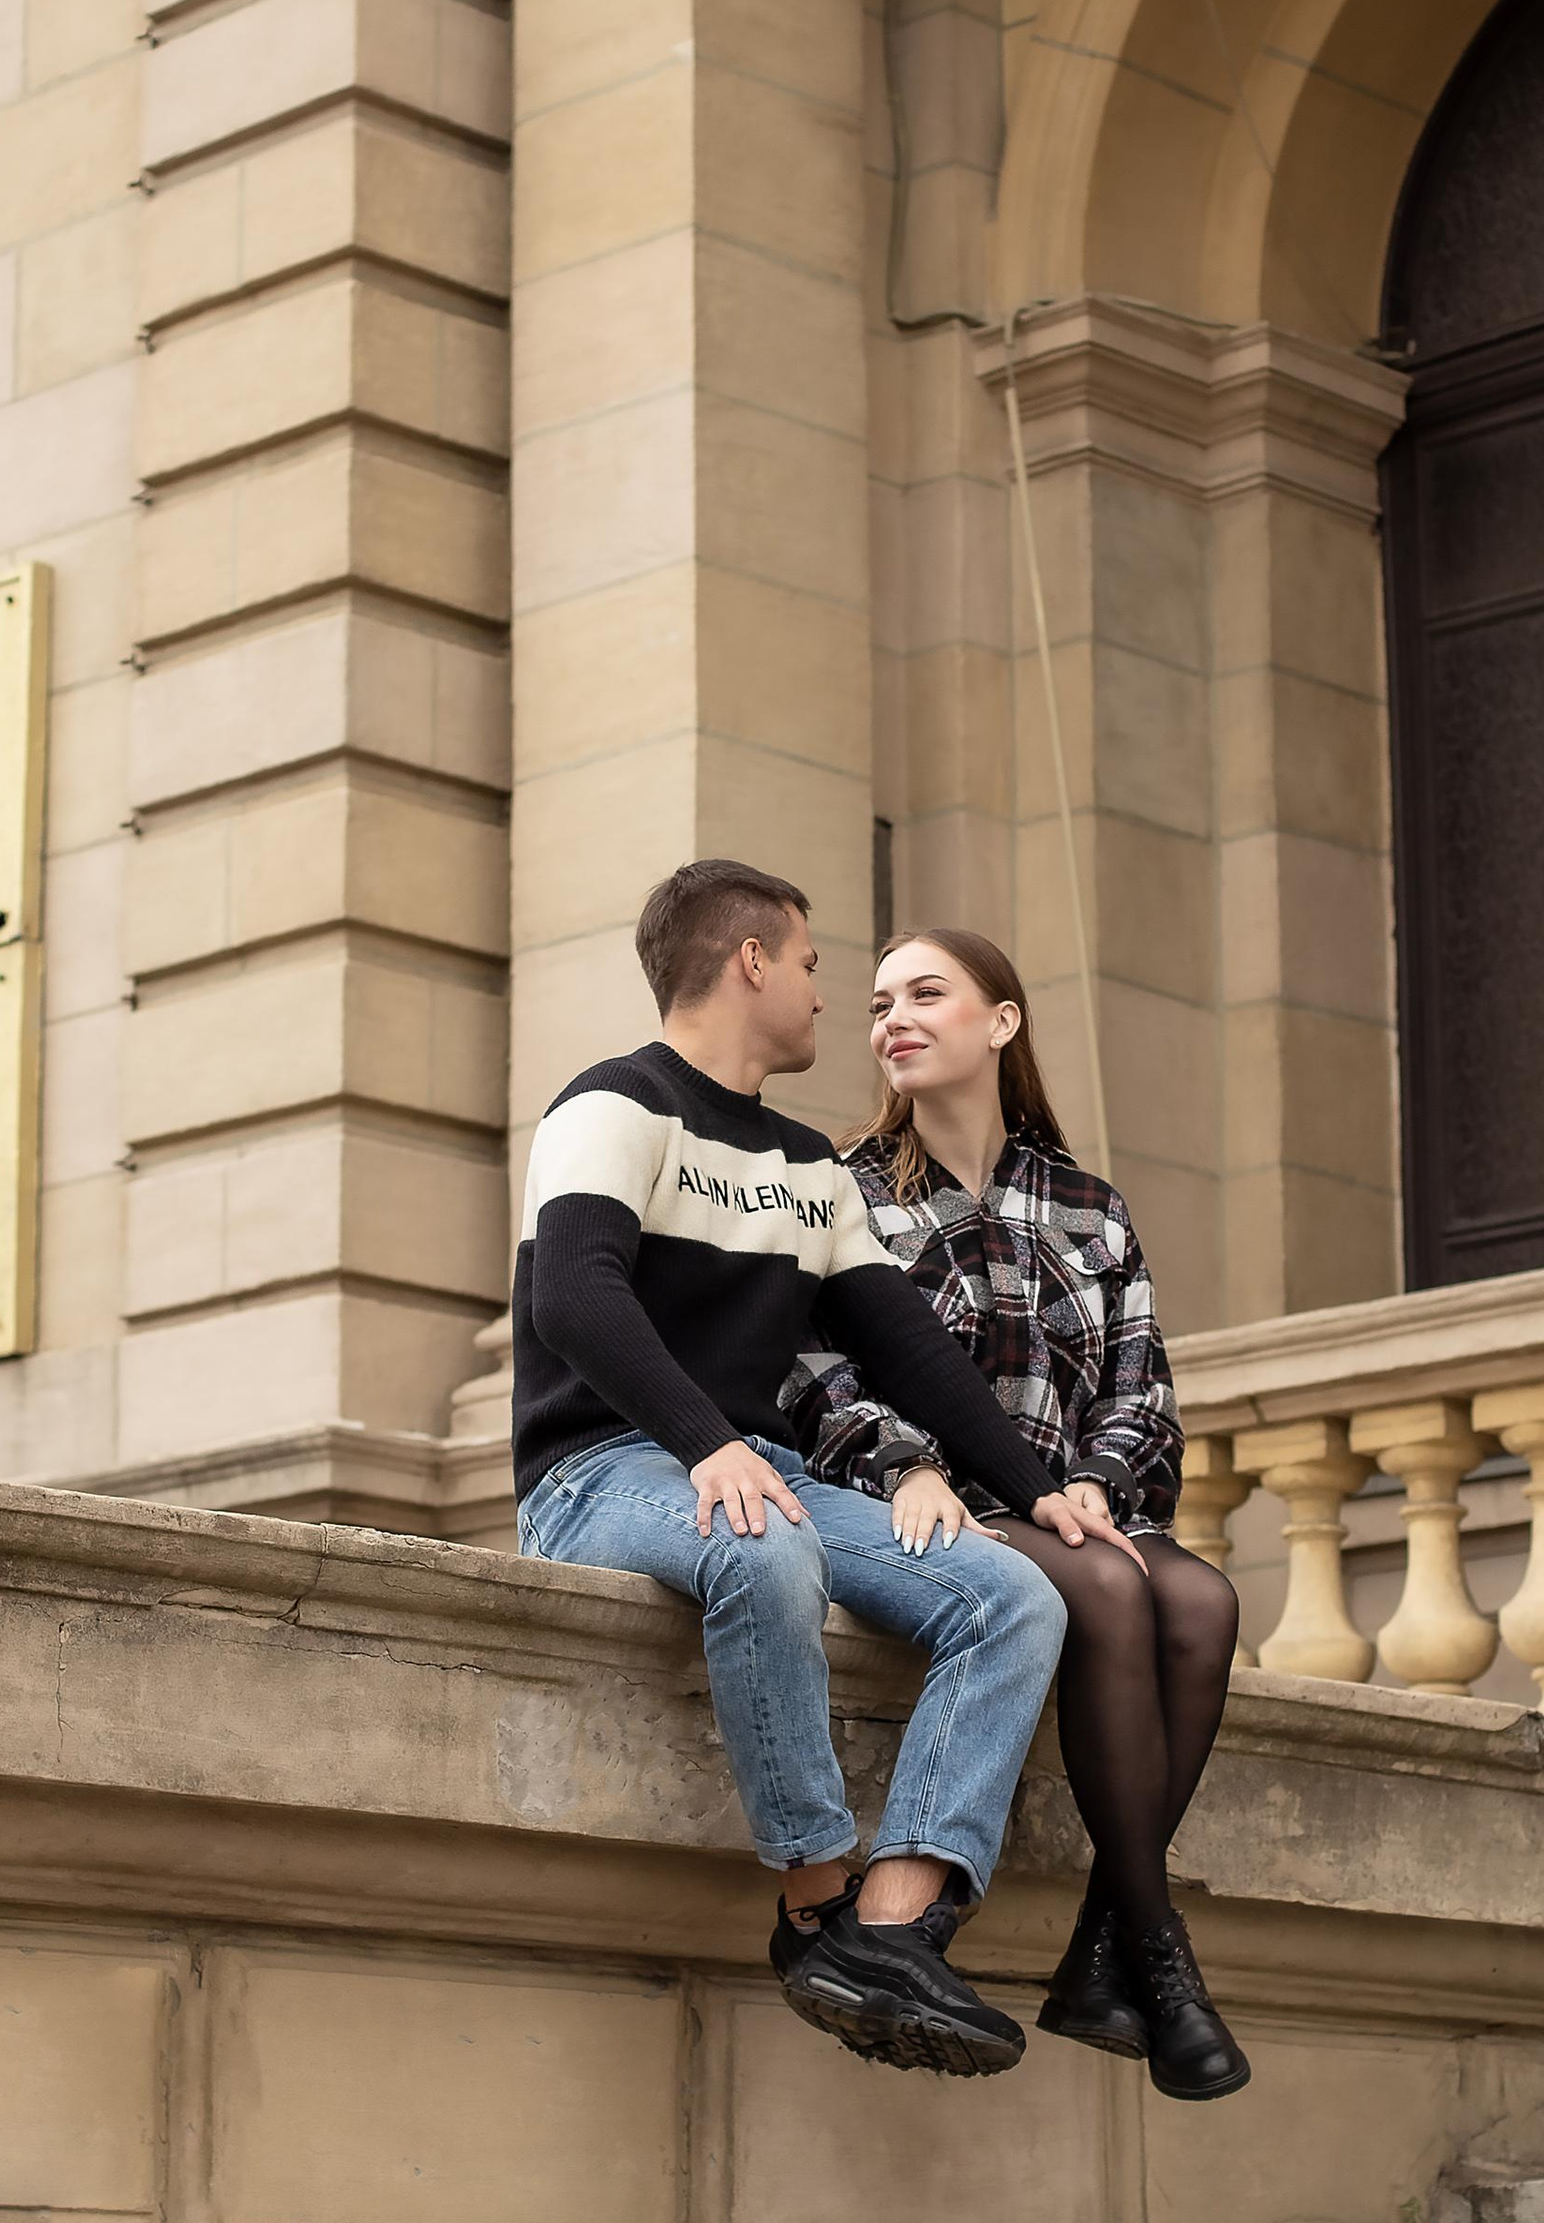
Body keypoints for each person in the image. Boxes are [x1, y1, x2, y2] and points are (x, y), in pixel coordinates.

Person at [512, 858, 1144, 2084]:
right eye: (810, 966)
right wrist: (709, 1443)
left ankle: (895, 1927)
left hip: (744, 1470)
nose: (823, 996)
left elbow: (904, 1345)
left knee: (1012, 1594)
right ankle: (813, 1903)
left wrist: (1038, 1484)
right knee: (768, 1544)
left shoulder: (807, 1166)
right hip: (598, 1474)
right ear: (750, 960)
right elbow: (575, 1300)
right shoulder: (608, 1105)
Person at [786, 928, 1249, 2101]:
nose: (891, 1016)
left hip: (1079, 1503)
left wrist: (1097, 1478)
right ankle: (1150, 1958)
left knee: (1199, 1597)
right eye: (879, 1000)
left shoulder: (1090, 1206)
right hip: (932, 1512)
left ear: (1000, 1021)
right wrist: (903, 1468)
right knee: (1103, 1586)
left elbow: (1144, 1383)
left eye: (925, 994)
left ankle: (1114, 1939)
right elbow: (805, 1368)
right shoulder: (839, 1189)